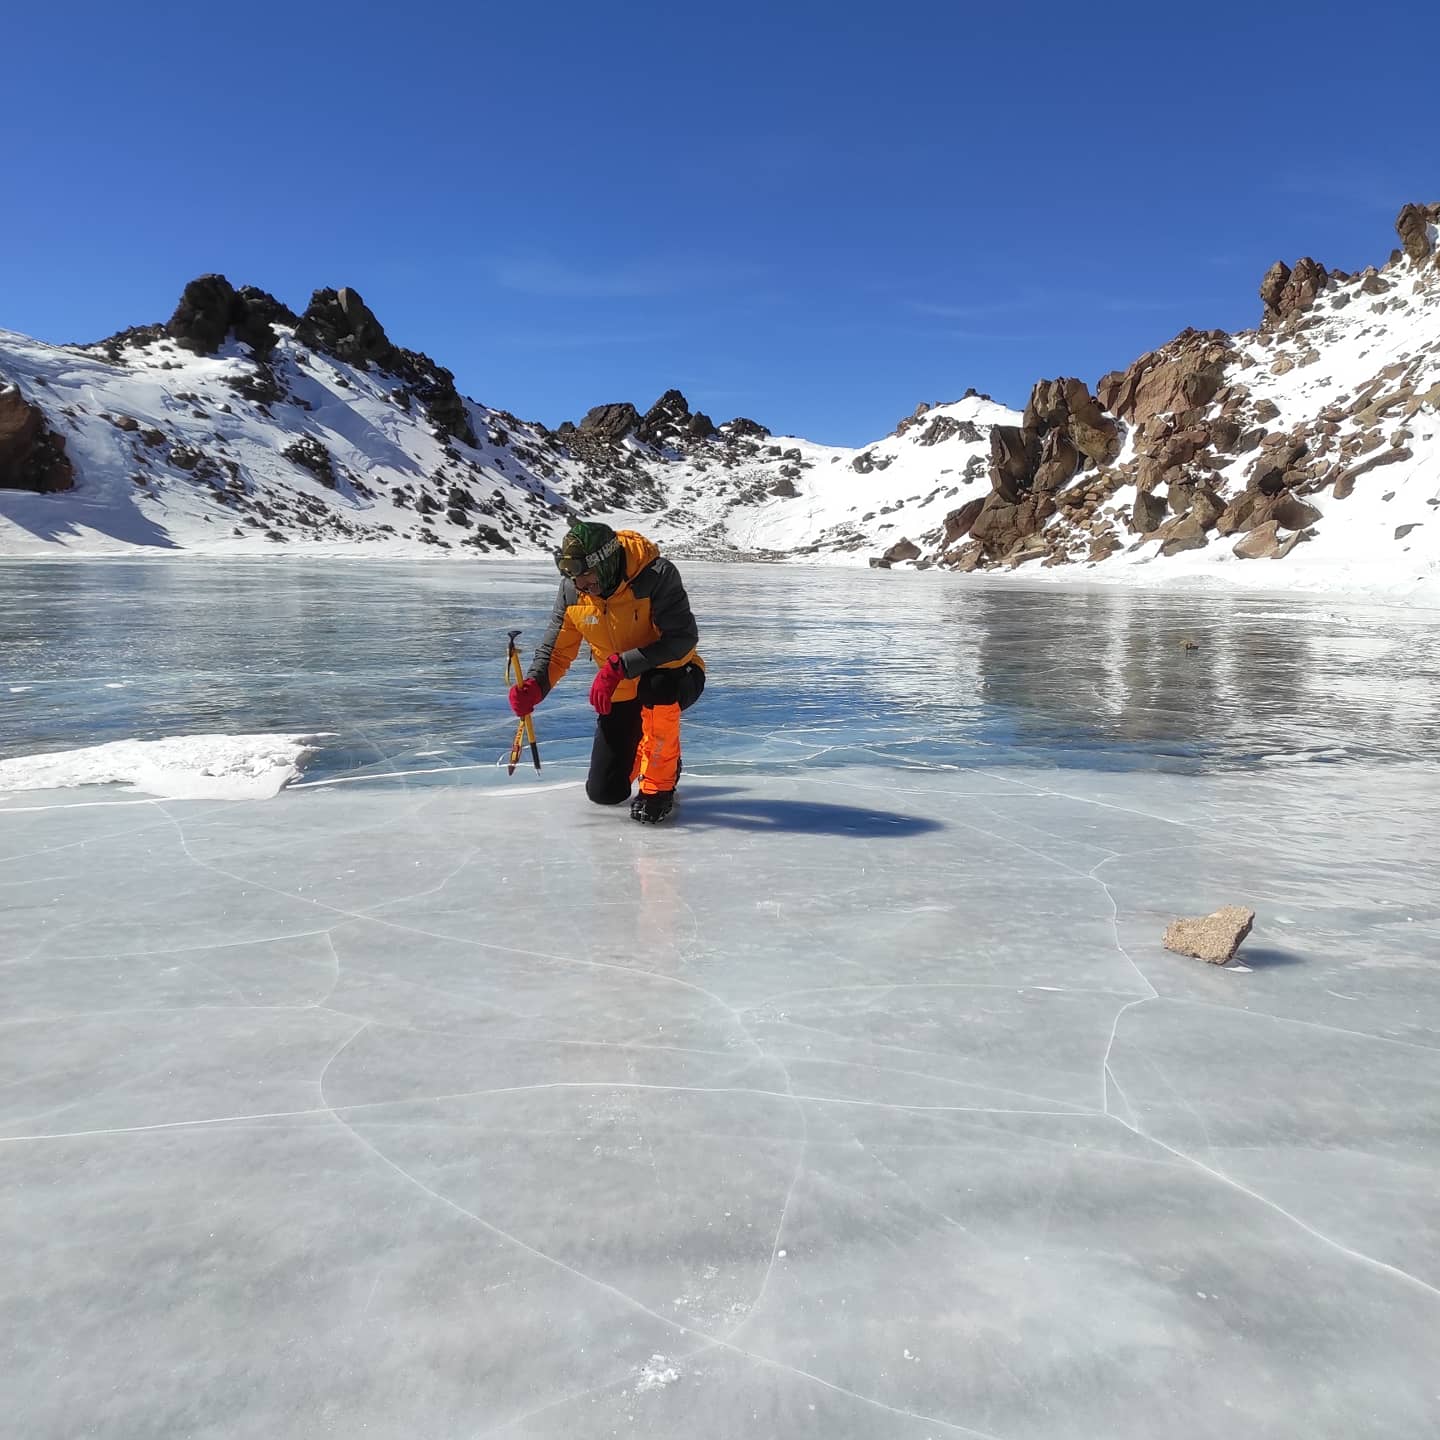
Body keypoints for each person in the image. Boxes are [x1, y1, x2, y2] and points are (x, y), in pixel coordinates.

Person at [509, 520, 706, 823]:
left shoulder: (656, 576)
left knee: (657, 685)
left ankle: (658, 788)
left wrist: (619, 665)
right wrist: (535, 685)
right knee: (605, 791)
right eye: (572, 577)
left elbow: (682, 640)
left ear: (605, 562)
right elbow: (557, 650)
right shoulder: (573, 591)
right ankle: (652, 750)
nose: (580, 585)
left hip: (676, 674)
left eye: (585, 576)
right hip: (621, 689)